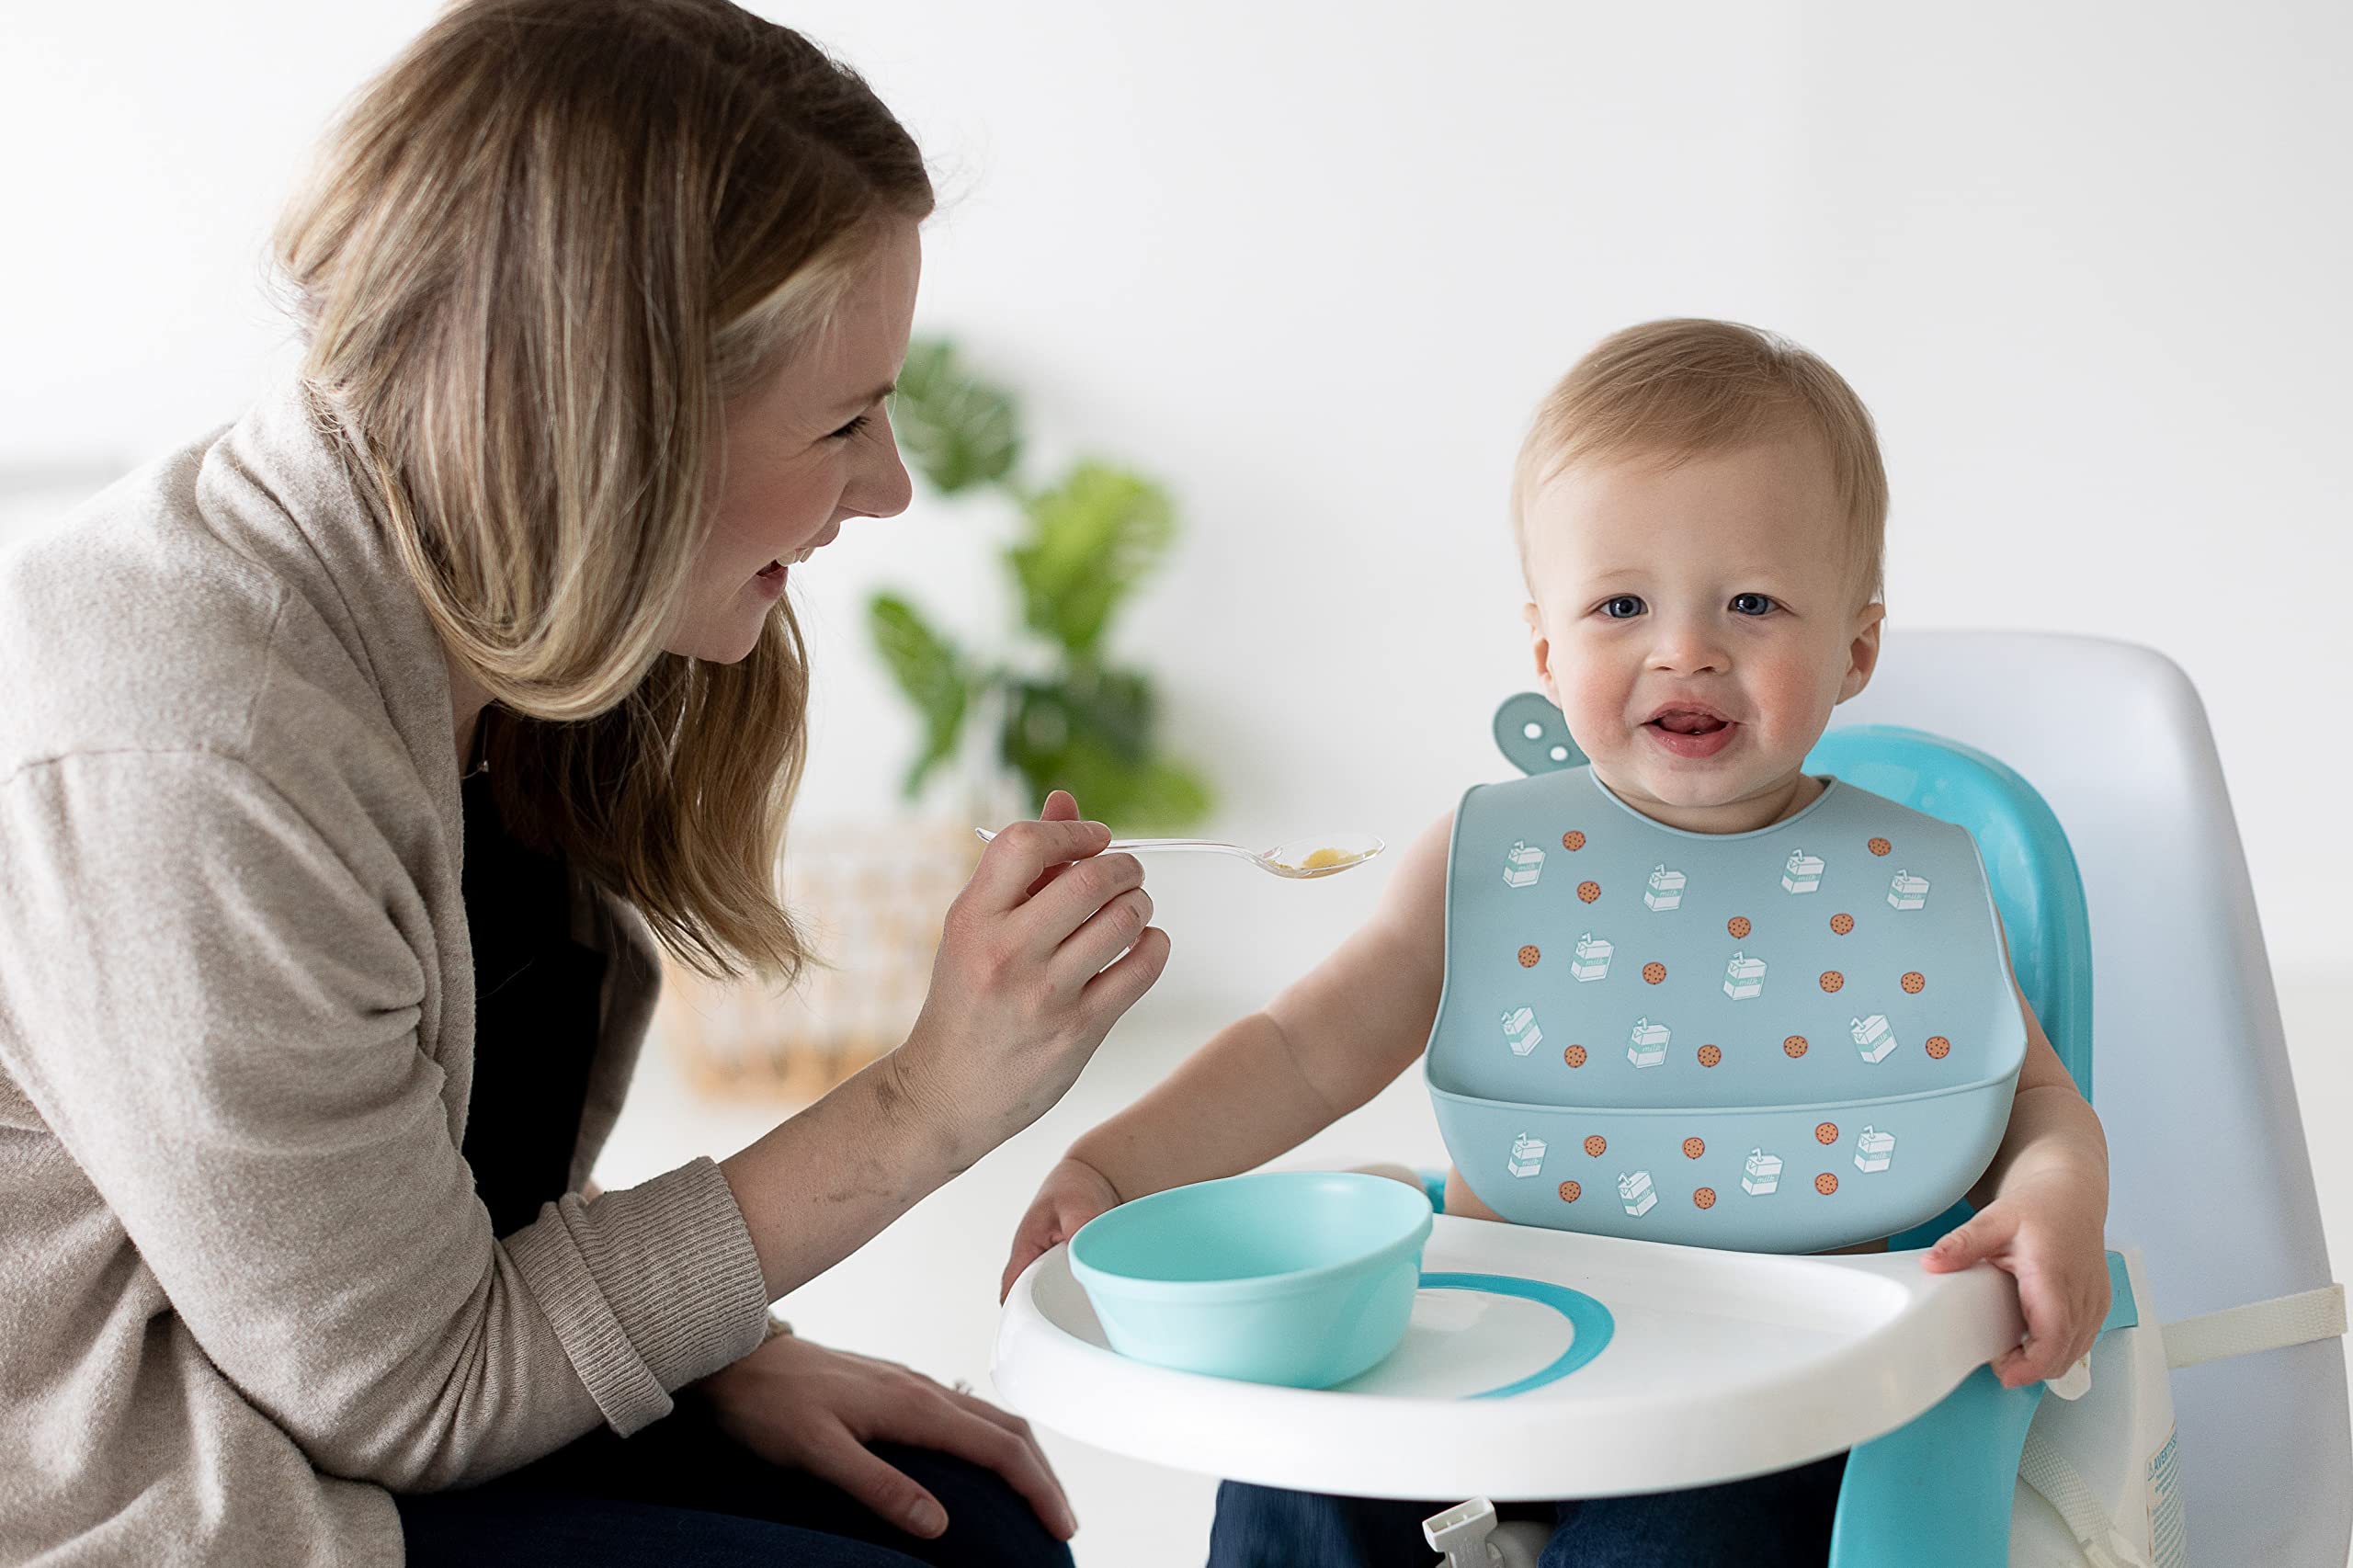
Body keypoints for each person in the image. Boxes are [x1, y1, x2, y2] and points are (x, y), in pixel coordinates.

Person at [0, 4, 1168, 1564]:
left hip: (339, 1379)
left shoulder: (507, 636)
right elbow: (403, 1387)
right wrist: (927, 1102)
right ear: (614, 417)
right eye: (840, 421)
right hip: (190, 1480)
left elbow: (419, 1192)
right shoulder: (197, 742)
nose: (886, 485)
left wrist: (714, 1344)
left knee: (979, 1525)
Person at [1002, 318, 2113, 1566]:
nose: (1684, 647)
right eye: (1621, 603)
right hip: (1481, 1345)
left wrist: (2054, 1198)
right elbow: (1304, 1049)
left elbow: (2035, 1099)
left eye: (1751, 601)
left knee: (1696, 1538)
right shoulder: (1485, 863)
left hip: (1746, 1406)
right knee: (1290, 1475)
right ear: (1546, 647)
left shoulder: (1909, 880)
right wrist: (1118, 1167)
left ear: (1855, 645)